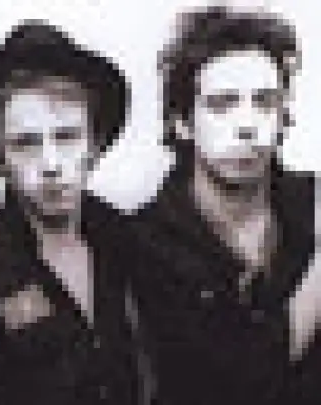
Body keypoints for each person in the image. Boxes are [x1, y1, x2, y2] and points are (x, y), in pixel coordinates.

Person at [124, 6, 317, 405]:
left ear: (284, 117)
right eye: (222, 104)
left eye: (265, 102)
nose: (246, 125)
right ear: (182, 122)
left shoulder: (310, 203)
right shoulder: (143, 241)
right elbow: (237, 383)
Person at [0, 20, 138, 404]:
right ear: (0, 157)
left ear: (94, 145)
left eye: (66, 137)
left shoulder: (132, 245)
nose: (50, 164)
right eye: (26, 143)